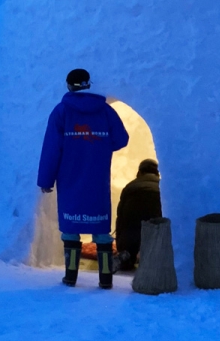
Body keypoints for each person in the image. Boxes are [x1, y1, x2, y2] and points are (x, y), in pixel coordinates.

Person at [37, 69, 129, 289]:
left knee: (71, 228)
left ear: (68, 85)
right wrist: (100, 145)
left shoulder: (61, 112)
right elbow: (121, 139)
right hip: (97, 179)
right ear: (88, 84)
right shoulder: (105, 111)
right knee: (101, 230)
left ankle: (70, 277)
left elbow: (52, 149)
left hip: (70, 179)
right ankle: (105, 279)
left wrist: (46, 181)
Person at [115, 158, 162, 268]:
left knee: (126, 259)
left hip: (130, 237)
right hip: (154, 238)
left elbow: (120, 219)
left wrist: (120, 246)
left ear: (139, 172)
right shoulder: (162, 188)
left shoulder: (130, 187)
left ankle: (127, 257)